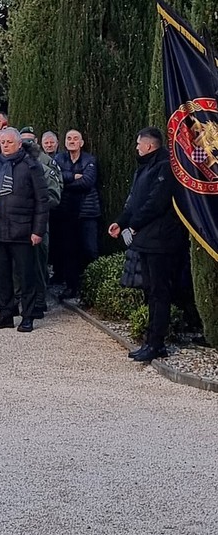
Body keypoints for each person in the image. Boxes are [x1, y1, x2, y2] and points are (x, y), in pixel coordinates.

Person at [109, 127, 188, 362]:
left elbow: (156, 202)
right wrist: (120, 222)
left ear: (149, 146)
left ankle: (157, 343)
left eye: (138, 144)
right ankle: (150, 340)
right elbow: (135, 200)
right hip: (146, 240)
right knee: (150, 292)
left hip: (161, 240)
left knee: (159, 293)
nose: (136, 148)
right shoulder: (144, 168)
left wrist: (133, 225)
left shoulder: (165, 166)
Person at [0, 127, 49, 333]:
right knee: (2, 276)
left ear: (19, 144)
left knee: (25, 275)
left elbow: (42, 200)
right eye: (2, 142)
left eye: (9, 142)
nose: (5, 145)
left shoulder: (31, 166)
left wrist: (38, 230)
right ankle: (6, 313)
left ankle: (27, 316)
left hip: (23, 230)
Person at [54, 129, 100, 301]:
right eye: (68, 138)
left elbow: (88, 182)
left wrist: (66, 183)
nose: (72, 141)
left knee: (90, 249)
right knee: (68, 251)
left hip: (87, 212)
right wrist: (74, 176)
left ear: (81, 143)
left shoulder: (90, 159)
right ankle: (71, 286)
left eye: (75, 138)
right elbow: (56, 177)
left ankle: (91, 287)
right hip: (66, 213)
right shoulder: (58, 158)